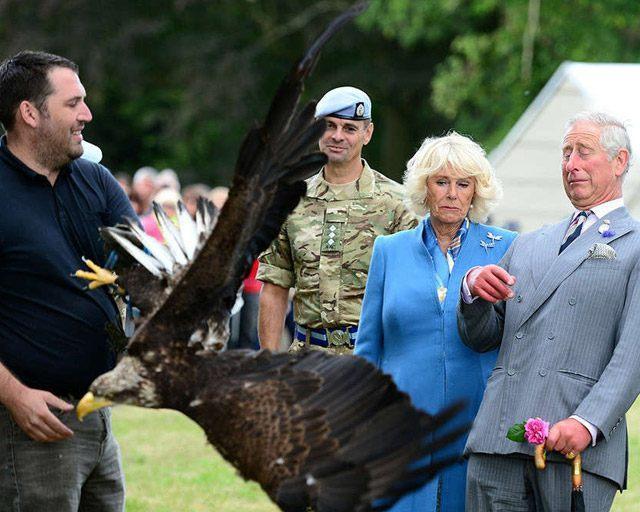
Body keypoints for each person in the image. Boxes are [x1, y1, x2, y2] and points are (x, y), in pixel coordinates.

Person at [458, 112, 638, 511]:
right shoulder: (529, 243)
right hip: (498, 441)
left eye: (583, 152)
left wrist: (587, 423)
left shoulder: (635, 244)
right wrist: (471, 292)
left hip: (574, 449)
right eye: (565, 153)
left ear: (620, 161)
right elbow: (482, 336)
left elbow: (633, 356)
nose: (570, 164)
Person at [0, 50, 135, 510]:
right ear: (30, 113)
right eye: (73, 103)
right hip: (29, 425)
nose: (87, 114)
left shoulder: (94, 179)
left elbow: (144, 270)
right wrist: (13, 395)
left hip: (97, 415)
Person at [354, 132, 516, 511]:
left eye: (464, 184)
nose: (452, 193)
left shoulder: (507, 247)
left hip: (476, 425)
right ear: (423, 187)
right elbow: (368, 347)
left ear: (477, 191)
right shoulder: (389, 251)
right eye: (441, 182)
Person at [257, 86, 417, 354]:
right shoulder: (289, 202)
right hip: (307, 362)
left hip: (373, 361)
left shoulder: (398, 204)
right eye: (329, 126)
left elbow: (414, 293)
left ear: (367, 133)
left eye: (349, 128)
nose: (337, 136)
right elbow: (274, 288)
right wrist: (267, 364)